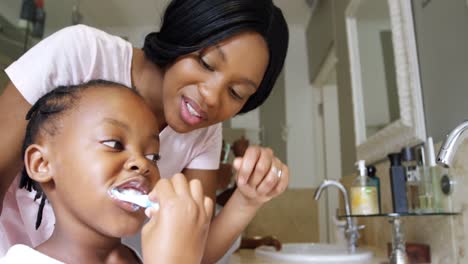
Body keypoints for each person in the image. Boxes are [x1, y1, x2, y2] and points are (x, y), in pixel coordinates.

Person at [0, 0, 290, 262]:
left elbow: (195, 243)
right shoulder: (81, 53)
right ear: (183, 34)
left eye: (237, 92)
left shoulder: (205, 132)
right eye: (206, 63)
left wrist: (247, 199)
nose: (212, 97)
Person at [0, 80, 213, 263]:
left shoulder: (143, 257)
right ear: (42, 164)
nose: (142, 163)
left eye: (152, 157)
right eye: (114, 144)